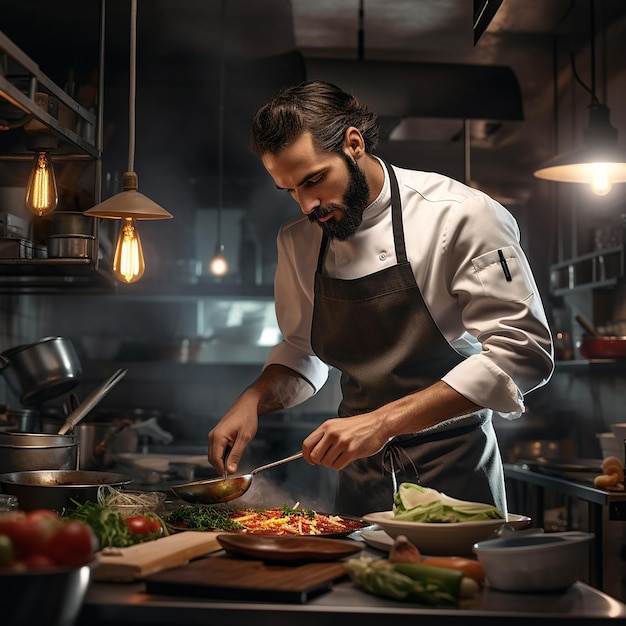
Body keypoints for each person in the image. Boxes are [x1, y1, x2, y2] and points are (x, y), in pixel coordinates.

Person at [207, 80, 554, 517]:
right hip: (359, 479)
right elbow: (302, 351)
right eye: (291, 190)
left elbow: (524, 353)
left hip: (454, 475)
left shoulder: (460, 215)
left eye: (315, 179)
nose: (307, 205)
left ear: (353, 143)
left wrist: (381, 423)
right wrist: (254, 398)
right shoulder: (298, 241)